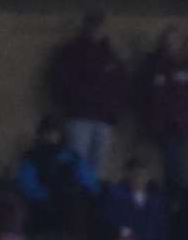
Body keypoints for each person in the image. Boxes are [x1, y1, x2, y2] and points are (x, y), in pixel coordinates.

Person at [48, 11, 129, 179]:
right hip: (79, 117)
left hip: (104, 118)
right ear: (85, 27)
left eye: (99, 27)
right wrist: (71, 103)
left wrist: (114, 110)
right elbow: (58, 81)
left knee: (98, 168)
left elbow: (121, 84)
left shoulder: (111, 54)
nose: (96, 30)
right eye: (93, 26)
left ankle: (93, 203)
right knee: (78, 165)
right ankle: (77, 202)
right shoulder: (71, 52)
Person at [137, 27, 188, 193]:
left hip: (183, 125)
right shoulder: (152, 64)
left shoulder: (186, 65)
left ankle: (177, 199)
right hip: (161, 124)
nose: (170, 45)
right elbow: (142, 93)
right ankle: (174, 199)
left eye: (174, 41)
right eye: (167, 41)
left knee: (179, 166)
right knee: (172, 165)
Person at [101, 157, 171, 240]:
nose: (139, 178)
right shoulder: (115, 196)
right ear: (128, 174)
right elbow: (109, 222)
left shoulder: (156, 202)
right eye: (135, 174)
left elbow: (160, 231)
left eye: (143, 174)